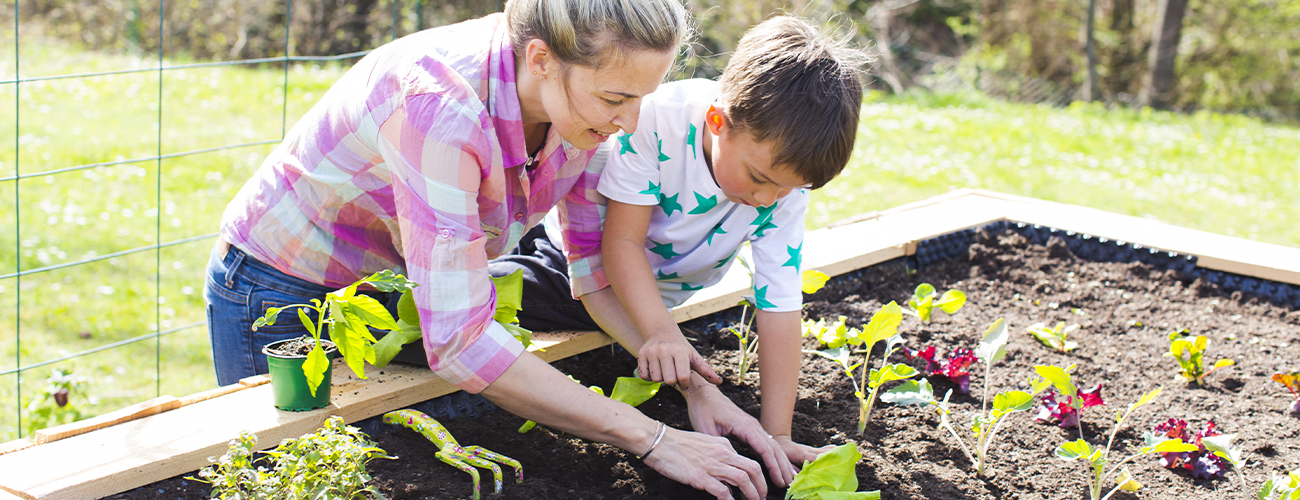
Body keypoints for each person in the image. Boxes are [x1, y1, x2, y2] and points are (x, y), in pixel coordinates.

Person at [204, 2, 790, 498]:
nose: (631, 120)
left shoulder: (582, 108)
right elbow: (459, 339)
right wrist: (651, 438)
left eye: (643, 97)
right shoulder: (438, 107)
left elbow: (589, 269)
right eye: (617, 97)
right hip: (284, 293)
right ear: (540, 60)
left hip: (399, 299)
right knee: (292, 478)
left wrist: (698, 388)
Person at [493, 15, 867, 469]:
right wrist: (661, 333)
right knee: (484, 298)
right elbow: (621, 246)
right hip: (572, 269)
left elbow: (780, 304)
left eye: (788, 189)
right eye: (758, 179)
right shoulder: (658, 121)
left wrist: (778, 433)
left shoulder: (780, 183)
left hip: (650, 301)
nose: (768, 200)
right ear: (717, 121)